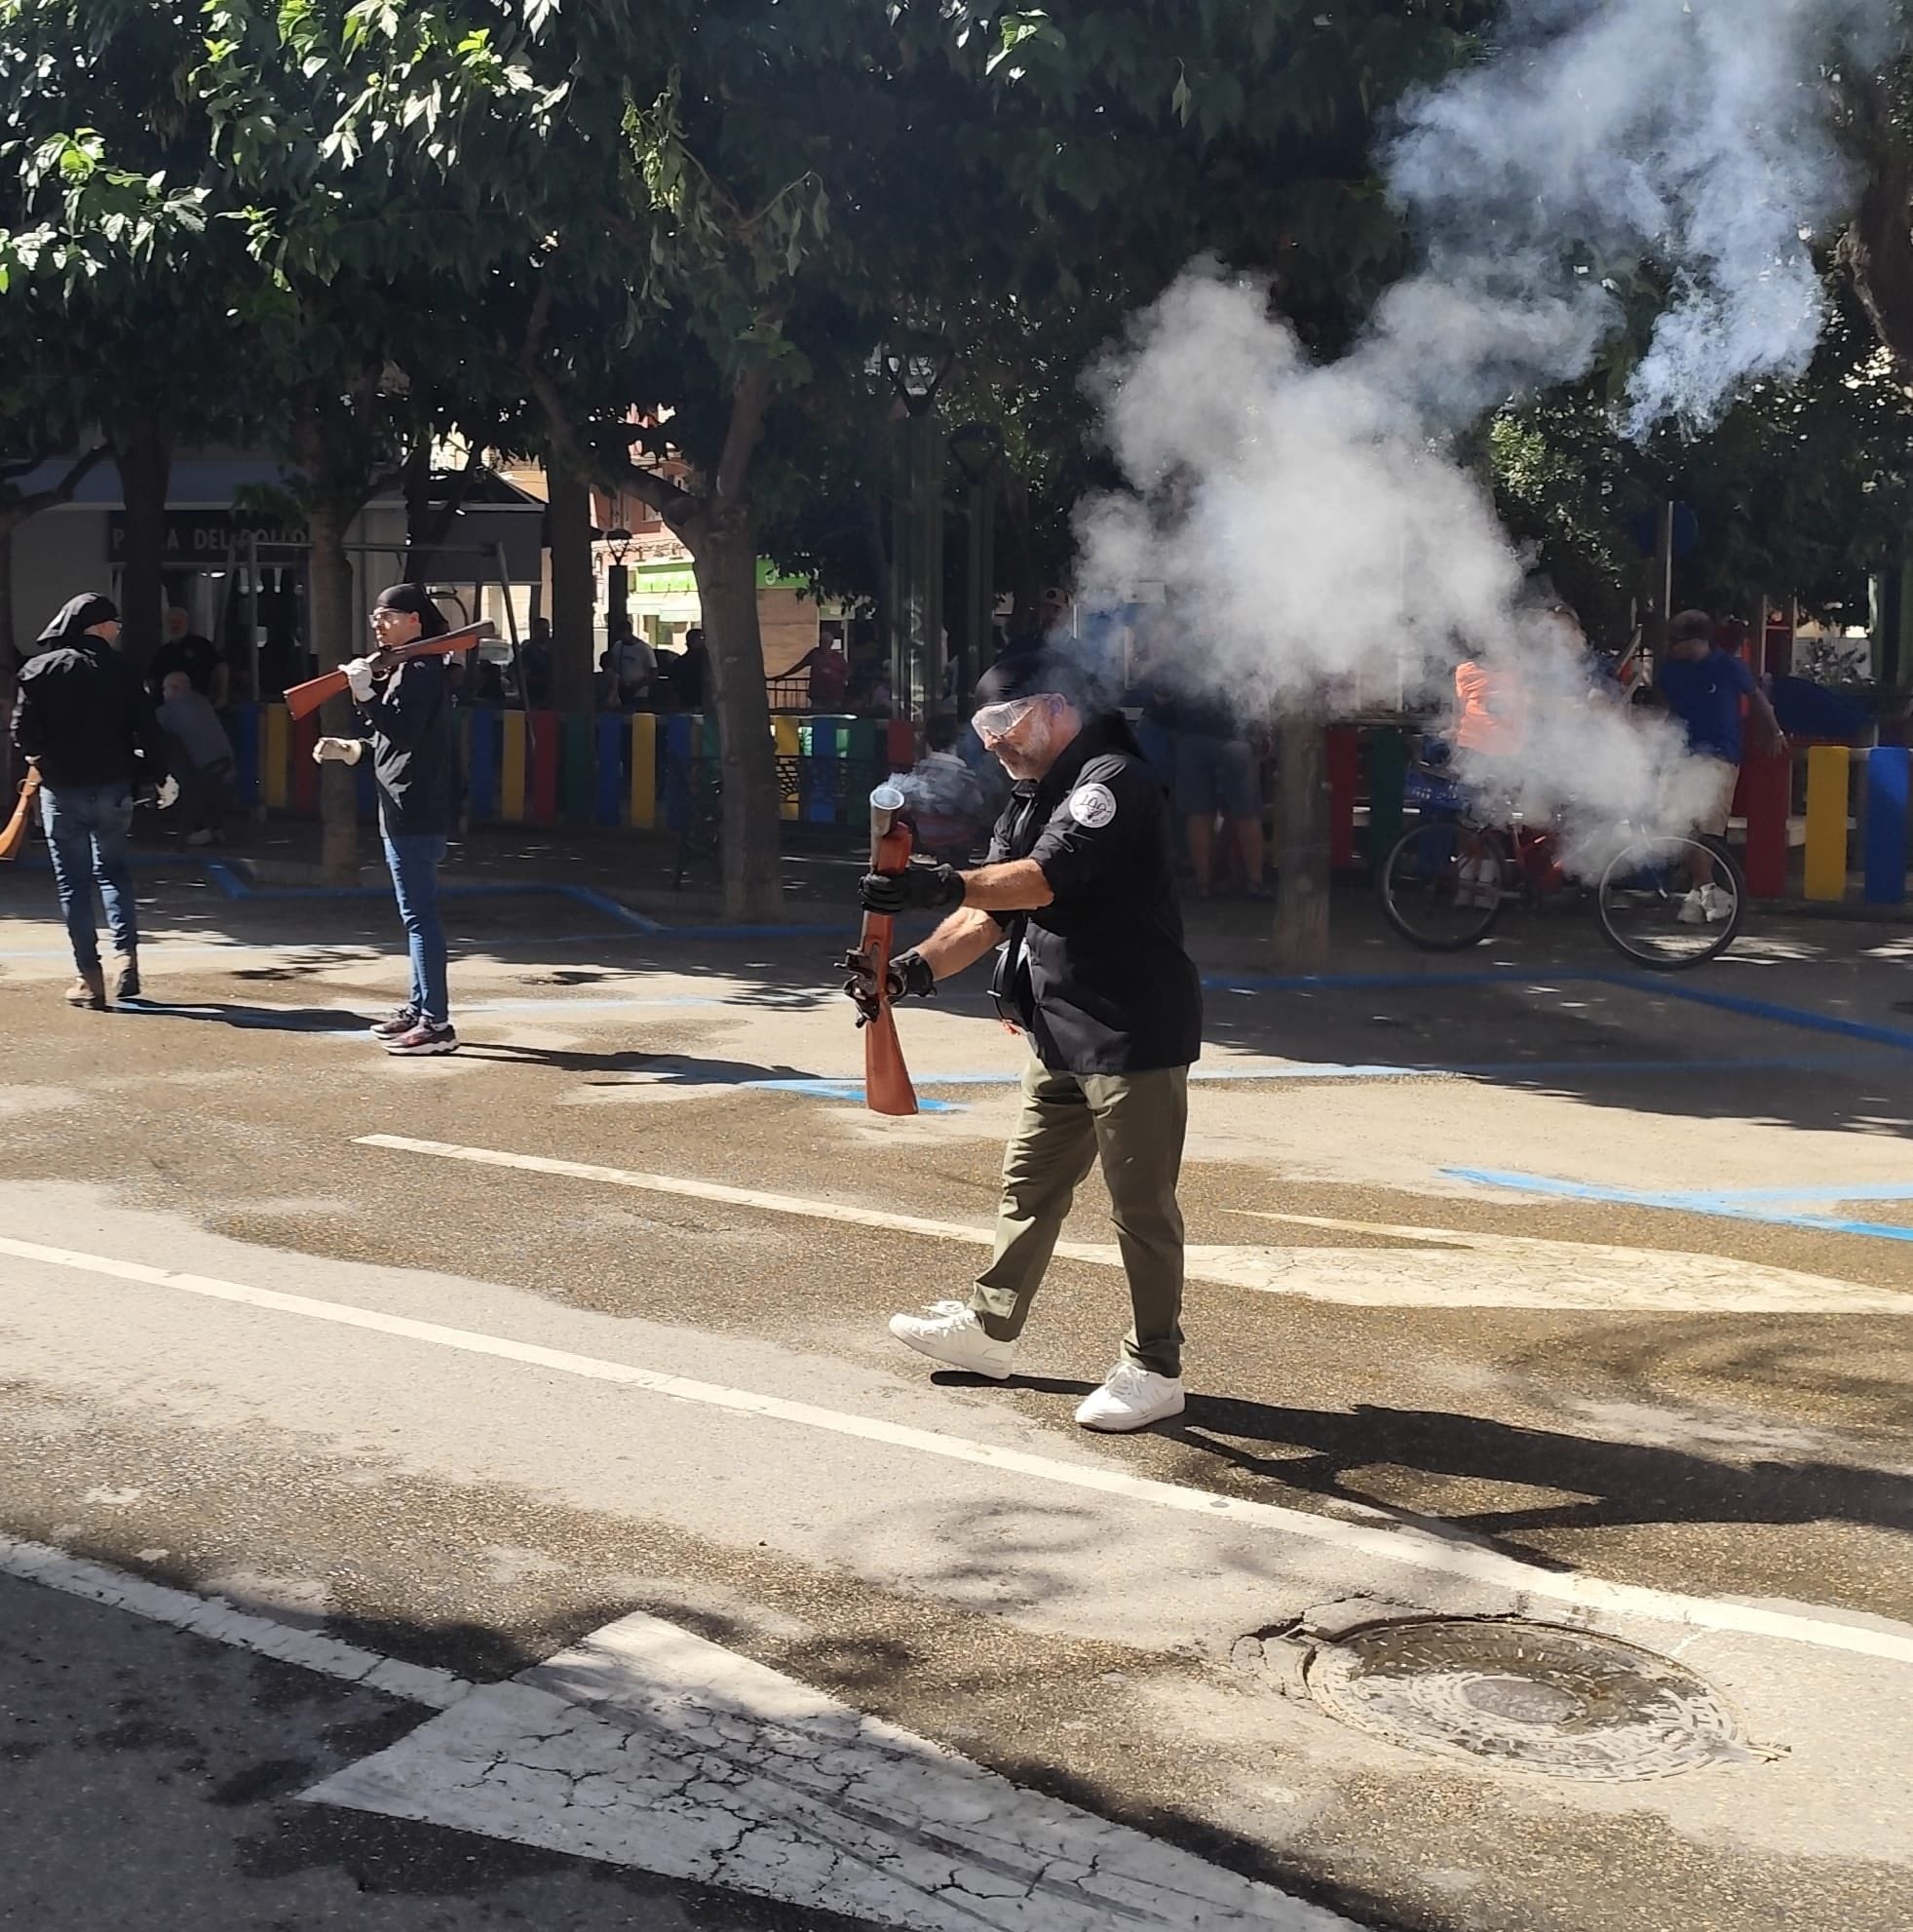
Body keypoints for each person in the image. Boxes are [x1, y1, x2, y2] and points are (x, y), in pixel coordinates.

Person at [855, 647, 1204, 1433]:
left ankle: (1155, 1368)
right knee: (1027, 1187)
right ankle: (990, 1329)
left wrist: (936, 882)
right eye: (983, 725)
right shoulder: (1031, 796)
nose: (991, 740)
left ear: (1055, 707)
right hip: (1057, 1025)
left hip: (1131, 1026)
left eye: (1003, 721)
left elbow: (1041, 880)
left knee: (1139, 1207)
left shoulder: (1109, 781)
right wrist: (909, 971)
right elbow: (989, 912)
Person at [312, 584, 461, 1055]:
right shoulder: (411, 667)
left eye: (389, 616)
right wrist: (353, 748)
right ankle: (419, 1008)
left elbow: (401, 731)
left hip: (414, 805)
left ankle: (436, 1022)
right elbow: (395, 740)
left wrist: (363, 694)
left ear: (415, 620)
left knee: (419, 918)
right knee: (415, 915)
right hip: (407, 803)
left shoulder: (418, 669)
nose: (378, 623)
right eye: (376, 616)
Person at [10, 594, 174, 1007]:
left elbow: (23, 734)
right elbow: (148, 729)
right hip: (115, 788)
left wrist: (40, 757)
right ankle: (126, 957)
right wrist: (161, 776)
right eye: (114, 623)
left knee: (74, 884)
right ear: (98, 626)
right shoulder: (124, 671)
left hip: (62, 789)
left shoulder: (39, 670)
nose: (118, 629)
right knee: (114, 871)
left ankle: (89, 978)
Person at [1660, 608, 1786, 924]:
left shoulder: (1729, 667)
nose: (1669, 647)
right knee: (1680, 825)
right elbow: (1667, 710)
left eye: (1674, 641)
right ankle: (1705, 891)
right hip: (1681, 754)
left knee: (1704, 826)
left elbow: (1757, 698)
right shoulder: (1671, 671)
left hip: (1719, 755)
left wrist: (1774, 731)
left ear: (1694, 641)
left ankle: (1703, 892)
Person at [156, 670, 236, 846]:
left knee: (181, 781)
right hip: (226, 767)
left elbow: (151, 730)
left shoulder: (169, 711)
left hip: (203, 774)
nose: (163, 693)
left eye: (164, 689)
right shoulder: (202, 702)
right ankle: (213, 828)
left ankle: (203, 830)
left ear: (175, 689)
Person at [902, 713, 992, 865]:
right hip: (957, 838)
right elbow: (977, 807)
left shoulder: (919, 770)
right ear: (957, 739)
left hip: (926, 835)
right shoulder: (963, 775)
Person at [150, 605, 227, 707]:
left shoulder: (201, 645)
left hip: (199, 701)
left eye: (178, 622)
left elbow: (221, 667)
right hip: (169, 705)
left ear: (186, 623)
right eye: (171, 622)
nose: (174, 626)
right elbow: (153, 678)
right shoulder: (163, 652)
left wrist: (222, 694)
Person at [609, 621, 657, 709]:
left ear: (630, 632)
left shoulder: (644, 649)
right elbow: (614, 667)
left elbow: (654, 672)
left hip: (640, 693)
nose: (621, 637)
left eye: (623, 633)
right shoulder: (617, 647)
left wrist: (637, 686)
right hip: (622, 690)